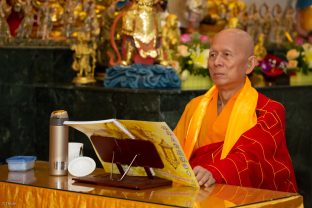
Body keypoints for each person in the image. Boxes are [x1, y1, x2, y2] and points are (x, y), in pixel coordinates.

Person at [174, 28, 298, 193]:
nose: (216, 62)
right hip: (193, 195)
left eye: (226, 54)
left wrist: (215, 172)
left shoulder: (267, 111)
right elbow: (174, 152)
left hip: (238, 197)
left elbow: (252, 158)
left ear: (249, 65)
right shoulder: (195, 107)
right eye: (212, 55)